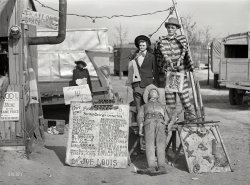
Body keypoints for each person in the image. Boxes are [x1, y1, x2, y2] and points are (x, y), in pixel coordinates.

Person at [154, 17, 196, 120]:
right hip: (170, 71)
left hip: (180, 70)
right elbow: (161, 54)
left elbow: (184, 52)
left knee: (184, 96)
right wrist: (168, 63)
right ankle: (173, 119)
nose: (170, 29)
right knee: (170, 97)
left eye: (172, 27)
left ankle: (190, 118)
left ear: (176, 28)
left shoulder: (181, 39)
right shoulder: (162, 41)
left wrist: (179, 60)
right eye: (168, 27)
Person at [136, 84, 174, 176]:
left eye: (155, 92)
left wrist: (168, 124)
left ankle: (162, 167)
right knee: (149, 144)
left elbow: (173, 115)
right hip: (148, 123)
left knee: (160, 144)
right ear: (148, 96)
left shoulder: (163, 106)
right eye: (151, 92)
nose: (153, 92)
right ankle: (151, 167)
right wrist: (140, 127)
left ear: (158, 95)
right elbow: (140, 117)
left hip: (161, 123)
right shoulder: (144, 106)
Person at [127, 35, 157, 114]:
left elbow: (155, 71)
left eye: (143, 45)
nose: (141, 47)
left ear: (147, 46)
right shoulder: (134, 56)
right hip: (136, 83)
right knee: (138, 106)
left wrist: (154, 83)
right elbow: (130, 69)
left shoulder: (152, 56)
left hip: (148, 83)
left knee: (147, 105)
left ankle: (147, 123)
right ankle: (139, 123)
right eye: (140, 45)